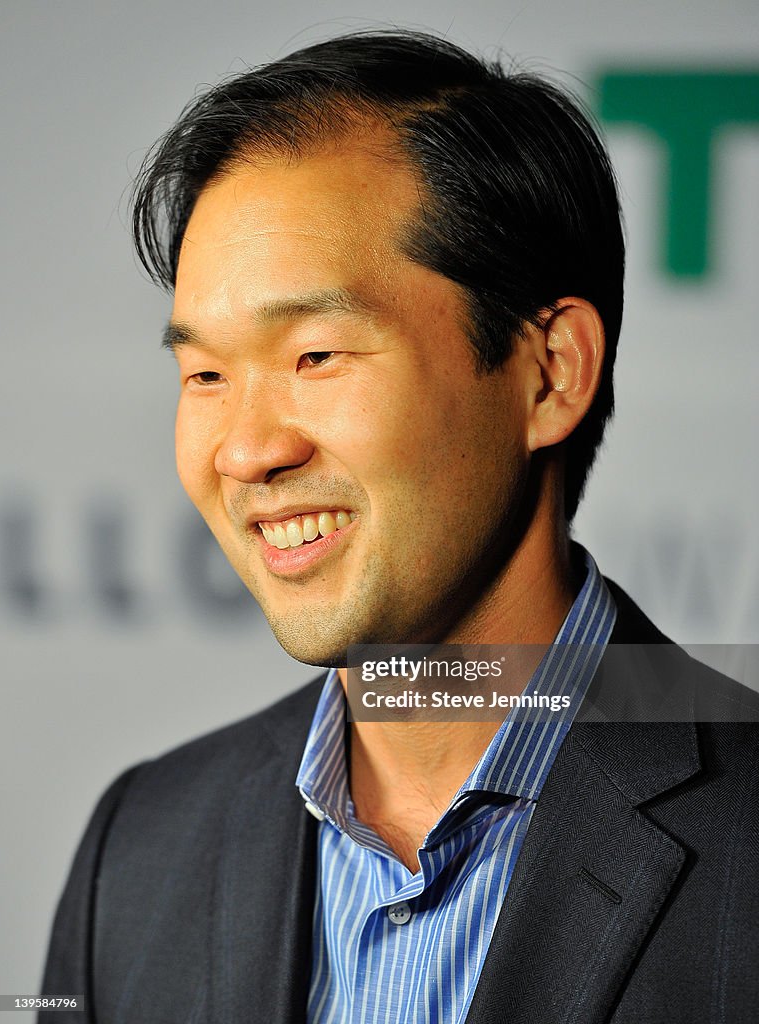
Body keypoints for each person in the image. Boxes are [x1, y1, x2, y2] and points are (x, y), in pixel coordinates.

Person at [40, 30, 759, 1024]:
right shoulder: (143, 847)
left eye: (318, 354)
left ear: (548, 374)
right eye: (204, 373)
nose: (245, 450)